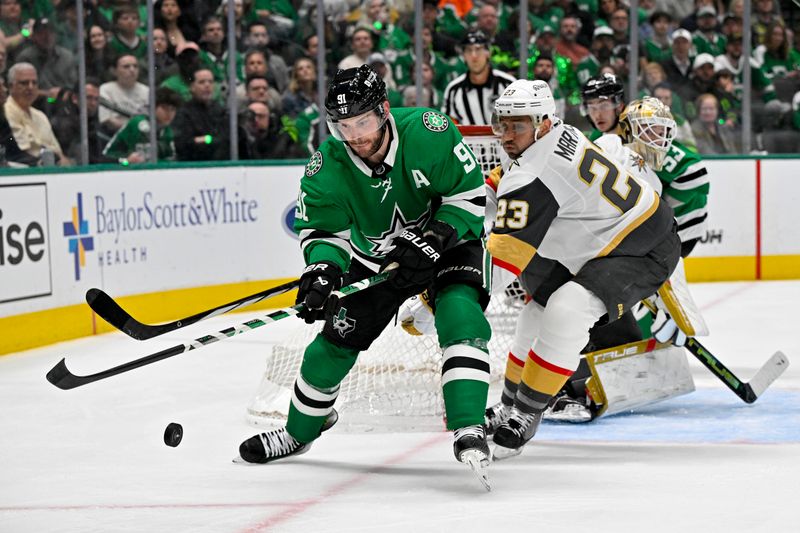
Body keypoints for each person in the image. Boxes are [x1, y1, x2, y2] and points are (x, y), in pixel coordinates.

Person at [237, 64, 494, 489]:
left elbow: (468, 195)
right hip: (377, 263)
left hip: (449, 242)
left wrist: (434, 236)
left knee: (460, 314)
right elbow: (324, 231)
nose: (355, 135)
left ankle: (469, 428)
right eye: (343, 126)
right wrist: (323, 268)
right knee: (330, 349)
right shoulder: (326, 166)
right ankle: (298, 434)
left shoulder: (429, 131)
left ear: (385, 111)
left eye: (364, 122)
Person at [484, 79, 681, 457]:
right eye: (502, 123)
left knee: (567, 310)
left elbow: (501, 267)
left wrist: (433, 300)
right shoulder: (559, 132)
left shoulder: (535, 173)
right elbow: (509, 176)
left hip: (642, 247)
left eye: (517, 125)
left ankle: (525, 414)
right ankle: (509, 405)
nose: (507, 135)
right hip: (601, 241)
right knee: (534, 315)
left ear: (542, 122)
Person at [442, 29, 516, 125]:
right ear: (463, 56)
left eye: (478, 49)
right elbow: (449, 126)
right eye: (469, 50)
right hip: (467, 140)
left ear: (488, 52)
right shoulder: (453, 90)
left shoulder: (508, 84)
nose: (474, 56)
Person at [3, 62, 69, 166]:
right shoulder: (5, 112)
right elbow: (22, 151)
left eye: (34, 83)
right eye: (24, 83)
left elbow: (58, 151)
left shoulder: (41, 116)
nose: (30, 87)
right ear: (11, 86)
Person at [102, 87, 182, 164]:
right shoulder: (139, 124)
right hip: (119, 165)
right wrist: (125, 162)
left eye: (173, 109)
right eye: (164, 108)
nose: (169, 113)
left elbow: (170, 160)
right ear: (153, 107)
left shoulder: (166, 130)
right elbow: (141, 160)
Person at [172, 67, 230, 161]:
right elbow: (184, 144)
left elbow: (225, 139)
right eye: (202, 82)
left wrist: (204, 139)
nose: (207, 85)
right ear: (192, 87)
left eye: (210, 82)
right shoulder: (184, 113)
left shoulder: (221, 111)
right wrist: (210, 139)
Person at [237, 100, 306, 159]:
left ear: (270, 119)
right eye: (251, 117)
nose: (256, 120)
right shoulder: (238, 141)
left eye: (261, 116)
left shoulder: (284, 142)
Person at [99, 54, 149, 133]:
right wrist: (132, 128)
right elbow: (107, 120)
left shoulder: (146, 91)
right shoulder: (106, 89)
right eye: (126, 67)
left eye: (135, 66)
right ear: (114, 71)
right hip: (113, 134)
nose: (132, 70)